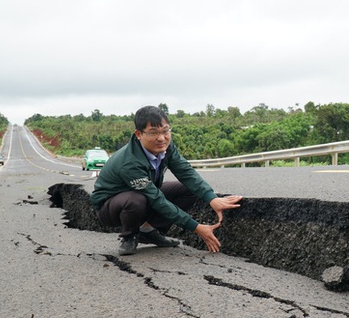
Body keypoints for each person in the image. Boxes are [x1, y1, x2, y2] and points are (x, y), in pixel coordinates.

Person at [89, 105, 242, 255]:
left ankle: (149, 231)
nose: (161, 138)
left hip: (144, 195)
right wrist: (196, 227)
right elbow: (156, 199)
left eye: (165, 131)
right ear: (138, 134)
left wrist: (212, 199)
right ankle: (130, 236)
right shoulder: (129, 163)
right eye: (153, 132)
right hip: (110, 208)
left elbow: (186, 172)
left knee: (188, 189)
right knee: (136, 200)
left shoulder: (166, 147)